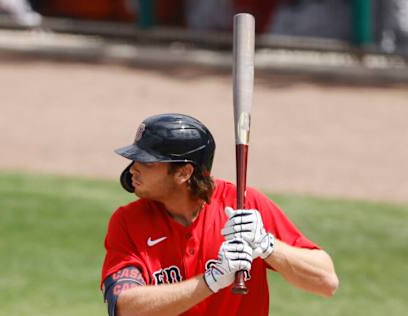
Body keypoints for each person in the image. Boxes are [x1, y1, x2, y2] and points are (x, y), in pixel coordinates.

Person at [100, 113, 339, 316]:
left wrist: (268, 246)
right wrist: (210, 281)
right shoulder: (127, 222)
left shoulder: (243, 205)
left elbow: (326, 282)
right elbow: (124, 307)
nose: (133, 168)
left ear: (183, 172)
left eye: (148, 163)